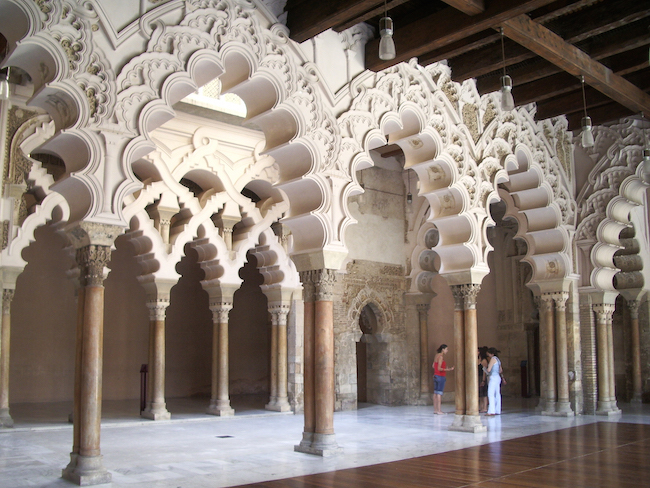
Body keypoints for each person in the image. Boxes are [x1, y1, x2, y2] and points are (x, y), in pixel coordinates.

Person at [432, 344, 454, 415]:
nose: (447, 351)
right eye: (446, 349)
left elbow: (433, 366)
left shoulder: (436, 355)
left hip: (435, 375)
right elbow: (439, 368)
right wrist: (448, 369)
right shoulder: (441, 357)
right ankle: (439, 410)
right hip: (440, 376)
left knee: (435, 393)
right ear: (443, 349)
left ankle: (435, 410)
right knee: (439, 393)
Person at [485, 347, 506, 416]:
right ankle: (497, 410)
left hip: (493, 377)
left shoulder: (493, 359)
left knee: (491, 393)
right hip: (498, 377)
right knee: (497, 394)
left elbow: (488, 370)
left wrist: (485, 369)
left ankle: (491, 411)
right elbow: (500, 370)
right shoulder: (498, 360)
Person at [478, 346, 489, 413]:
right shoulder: (477, 359)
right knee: (480, 393)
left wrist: (483, 380)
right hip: (478, 377)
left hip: (482, 377)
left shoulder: (484, 360)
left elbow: (485, 371)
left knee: (484, 393)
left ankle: (485, 407)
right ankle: (481, 406)